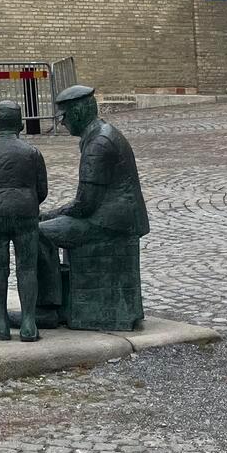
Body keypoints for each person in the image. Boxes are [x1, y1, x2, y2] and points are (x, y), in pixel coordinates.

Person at [37, 84, 149, 330]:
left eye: (64, 117)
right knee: (46, 227)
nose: (63, 123)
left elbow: (84, 205)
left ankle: (46, 310)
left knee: (37, 234)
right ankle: (63, 303)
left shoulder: (98, 144)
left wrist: (45, 215)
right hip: (115, 218)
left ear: (77, 113)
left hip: (108, 223)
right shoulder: (101, 134)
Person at [0, 100, 48, 342]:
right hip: (25, 211)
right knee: (27, 268)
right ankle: (28, 323)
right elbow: (42, 190)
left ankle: (1, 322)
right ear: (22, 125)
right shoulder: (32, 153)